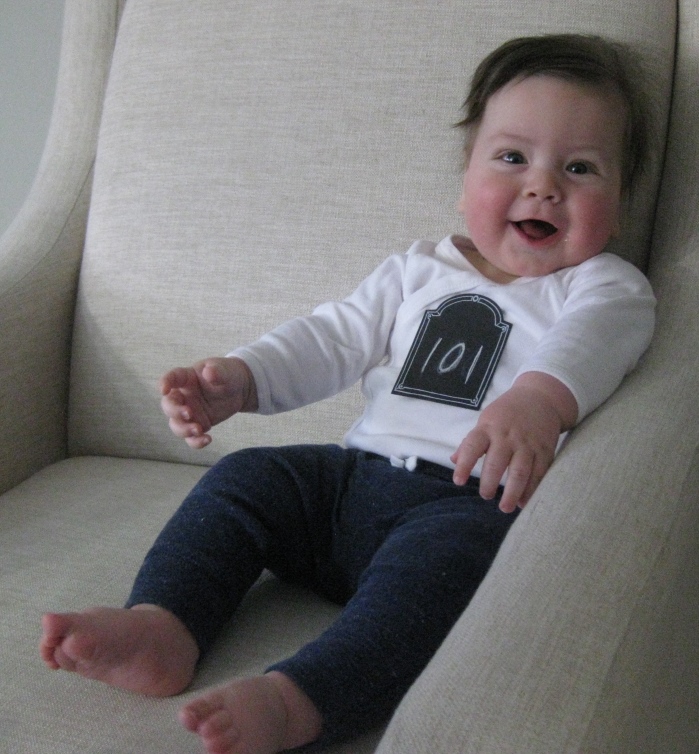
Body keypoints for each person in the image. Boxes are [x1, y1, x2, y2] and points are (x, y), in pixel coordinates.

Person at [39, 33, 656, 754]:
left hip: (463, 506)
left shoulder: (602, 287)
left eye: (580, 168)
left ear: (619, 206)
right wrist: (242, 378)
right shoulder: (416, 270)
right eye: (512, 157)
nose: (543, 186)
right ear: (464, 180)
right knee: (248, 477)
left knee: (445, 575)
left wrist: (538, 401)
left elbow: (590, 343)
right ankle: (164, 625)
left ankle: (301, 698)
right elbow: (330, 338)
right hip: (350, 484)